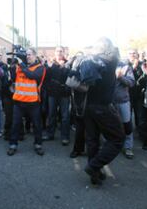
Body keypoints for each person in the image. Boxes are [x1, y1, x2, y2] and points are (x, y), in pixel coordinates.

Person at [80, 37, 125, 186]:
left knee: (93, 140)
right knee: (117, 139)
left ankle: (95, 175)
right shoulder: (111, 61)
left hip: (89, 106)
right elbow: (116, 55)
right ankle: (94, 167)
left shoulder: (90, 61)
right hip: (102, 107)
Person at [7, 48, 46, 156]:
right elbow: (14, 79)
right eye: (26, 55)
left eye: (30, 55)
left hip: (33, 102)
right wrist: (13, 67)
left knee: (37, 125)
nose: (28, 56)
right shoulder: (20, 66)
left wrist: (21, 65)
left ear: (35, 56)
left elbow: (32, 75)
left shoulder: (40, 68)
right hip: (19, 101)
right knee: (15, 124)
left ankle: (38, 144)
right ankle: (13, 145)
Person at [43, 46, 72, 145]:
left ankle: (65, 137)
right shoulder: (51, 63)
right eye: (57, 51)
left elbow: (69, 76)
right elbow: (46, 77)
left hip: (64, 93)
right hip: (52, 93)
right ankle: (50, 134)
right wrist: (50, 66)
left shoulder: (68, 63)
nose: (59, 53)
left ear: (64, 52)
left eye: (61, 51)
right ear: (55, 53)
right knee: (51, 114)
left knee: (65, 116)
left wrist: (63, 67)